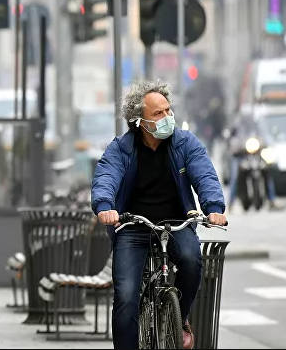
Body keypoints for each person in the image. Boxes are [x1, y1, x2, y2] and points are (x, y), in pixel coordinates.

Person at [91, 79, 227, 350]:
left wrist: (213, 209)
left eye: (168, 110)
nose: (167, 117)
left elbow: (205, 175)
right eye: (158, 113)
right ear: (140, 121)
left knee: (191, 261)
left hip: (177, 223)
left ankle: (181, 317)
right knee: (127, 296)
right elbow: (106, 176)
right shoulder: (121, 148)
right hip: (132, 226)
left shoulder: (185, 143)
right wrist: (105, 206)